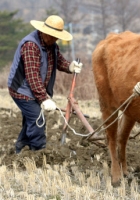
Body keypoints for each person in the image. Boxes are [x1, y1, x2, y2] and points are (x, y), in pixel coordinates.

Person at [7, 15, 83, 154]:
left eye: (57, 36)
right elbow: (32, 76)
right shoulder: (30, 45)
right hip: (21, 89)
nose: (55, 39)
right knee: (37, 119)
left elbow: (59, 61)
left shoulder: (51, 45)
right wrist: (44, 99)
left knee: (31, 118)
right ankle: (38, 152)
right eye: (53, 36)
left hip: (34, 89)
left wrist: (70, 67)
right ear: (44, 32)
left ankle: (21, 147)